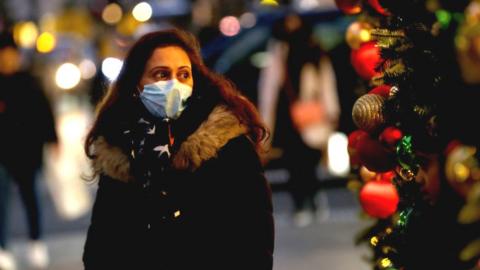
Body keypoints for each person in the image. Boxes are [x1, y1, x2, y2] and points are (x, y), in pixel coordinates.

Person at [82, 29, 274, 269]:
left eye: (184, 75)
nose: (174, 84)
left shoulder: (227, 143)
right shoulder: (120, 148)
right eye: (161, 74)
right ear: (136, 84)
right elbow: (102, 248)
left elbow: (254, 238)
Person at [258, 13, 340, 227]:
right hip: (288, 115)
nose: (291, 25)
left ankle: (313, 197)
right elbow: (270, 86)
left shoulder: (313, 50)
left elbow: (326, 82)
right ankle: (301, 203)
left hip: (309, 113)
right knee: (293, 161)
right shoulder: (279, 49)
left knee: (309, 158)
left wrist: (331, 110)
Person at [0, 31, 57, 269]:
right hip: (2, 152)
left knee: (30, 197)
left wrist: (53, 139)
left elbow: (44, 111)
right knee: (1, 200)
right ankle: (2, 248)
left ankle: (36, 242)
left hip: (27, 151)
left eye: (10, 55)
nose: (7, 60)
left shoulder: (28, 80)